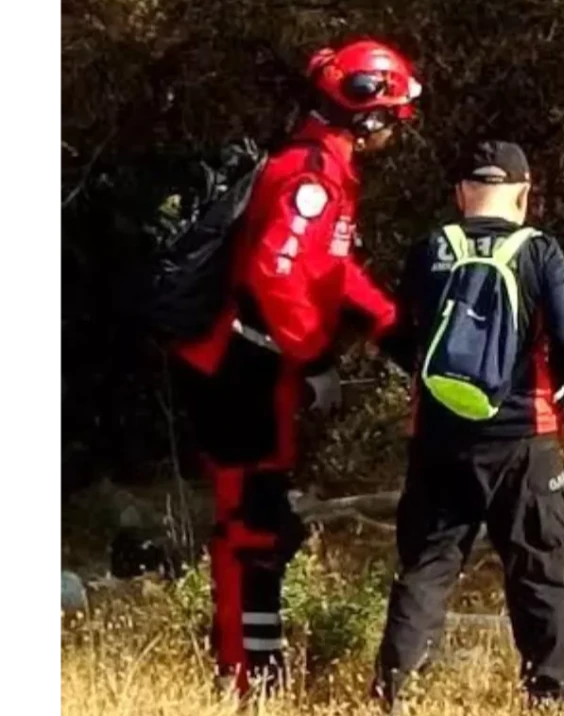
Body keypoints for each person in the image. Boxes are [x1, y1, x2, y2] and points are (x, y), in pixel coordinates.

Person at [172, 39, 422, 696]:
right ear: (365, 116)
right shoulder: (310, 176)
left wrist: (390, 325)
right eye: (393, 115)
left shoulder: (325, 167)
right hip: (243, 367)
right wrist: (313, 355)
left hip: (258, 366)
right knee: (251, 523)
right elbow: (275, 273)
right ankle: (245, 675)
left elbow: (330, 267)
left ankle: (254, 661)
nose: (395, 130)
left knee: (263, 519)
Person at [372, 140, 564, 711]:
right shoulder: (540, 251)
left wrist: (423, 377)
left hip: (439, 435)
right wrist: (558, 383)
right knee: (539, 568)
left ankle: (393, 693)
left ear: (462, 193)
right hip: (524, 436)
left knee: (427, 568)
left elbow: (394, 330)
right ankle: (551, 694)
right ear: (523, 191)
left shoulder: (431, 249)